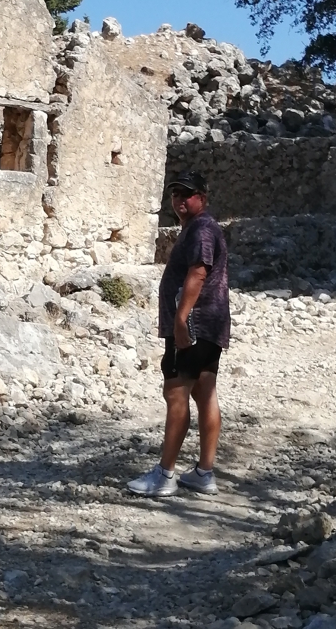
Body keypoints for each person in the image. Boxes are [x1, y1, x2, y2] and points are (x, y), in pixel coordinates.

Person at [127, 170, 229, 496]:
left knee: (176, 393)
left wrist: (181, 320)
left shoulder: (201, 230)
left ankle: (164, 475)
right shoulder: (201, 229)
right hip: (210, 323)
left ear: (203, 196)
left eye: (187, 194)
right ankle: (204, 473)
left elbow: (198, 274)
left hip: (194, 324)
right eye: (175, 194)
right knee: (204, 391)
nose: (180, 201)